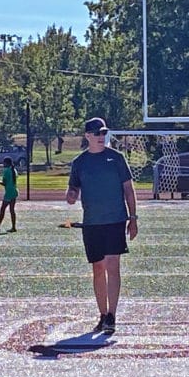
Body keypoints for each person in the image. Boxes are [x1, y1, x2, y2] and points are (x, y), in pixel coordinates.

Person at [66, 117, 138, 334]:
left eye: (103, 133)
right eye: (96, 133)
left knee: (113, 265)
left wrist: (133, 218)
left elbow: (129, 189)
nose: (101, 137)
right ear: (87, 135)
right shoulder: (80, 163)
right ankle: (103, 314)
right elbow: (73, 190)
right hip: (92, 223)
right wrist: (70, 195)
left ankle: (112, 316)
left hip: (115, 220)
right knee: (98, 268)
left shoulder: (116, 158)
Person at [0, 157, 18, 234]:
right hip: (14, 191)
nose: (3, 164)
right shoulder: (14, 170)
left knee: (2, 210)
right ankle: (13, 227)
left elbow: (4, 183)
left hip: (9, 193)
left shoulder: (6, 171)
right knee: (12, 210)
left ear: (7, 163)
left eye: (4, 163)